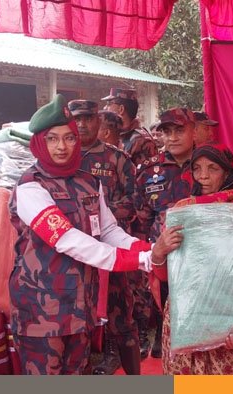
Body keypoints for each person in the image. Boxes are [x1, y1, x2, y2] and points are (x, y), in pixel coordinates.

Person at [9, 94, 180, 374]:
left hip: (80, 305)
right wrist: (140, 260)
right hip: (41, 310)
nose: (62, 146)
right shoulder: (30, 186)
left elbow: (108, 230)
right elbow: (67, 240)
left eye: (69, 138)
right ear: (39, 142)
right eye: (52, 139)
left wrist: (147, 250)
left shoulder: (88, 181)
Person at [151, 143, 233, 374]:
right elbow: (165, 277)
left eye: (212, 168)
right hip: (186, 324)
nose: (203, 176)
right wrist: (159, 251)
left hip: (228, 330)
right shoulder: (182, 212)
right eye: (197, 168)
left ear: (227, 173)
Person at [68, 99, 142, 374]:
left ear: (99, 121)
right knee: (78, 321)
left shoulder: (117, 159)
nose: (82, 124)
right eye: (77, 119)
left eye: (88, 118)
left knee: (121, 316)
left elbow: (135, 201)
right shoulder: (64, 160)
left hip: (112, 251)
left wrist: (101, 217)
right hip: (75, 255)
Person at [135, 107, 196, 358]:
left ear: (194, 130)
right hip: (164, 257)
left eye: (179, 130)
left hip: (200, 257)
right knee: (164, 303)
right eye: (167, 132)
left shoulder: (210, 164)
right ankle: (163, 334)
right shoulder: (148, 170)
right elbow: (141, 220)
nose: (172, 137)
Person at [102, 88, 157, 166]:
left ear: (121, 109)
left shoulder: (142, 141)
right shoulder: (112, 134)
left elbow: (148, 172)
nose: (105, 108)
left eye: (109, 104)